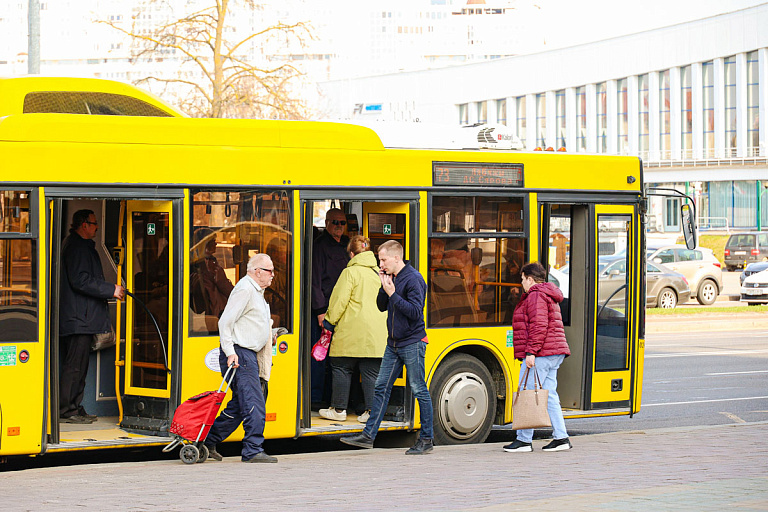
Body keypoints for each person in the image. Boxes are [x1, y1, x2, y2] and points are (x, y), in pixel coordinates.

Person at [341, 240, 434, 455]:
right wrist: (384, 288)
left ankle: (426, 439)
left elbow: (415, 313)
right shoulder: (392, 277)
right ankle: (368, 436)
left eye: (383, 260)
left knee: (419, 389)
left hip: (412, 342)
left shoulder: (414, 279)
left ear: (396, 258)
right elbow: (381, 306)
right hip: (393, 344)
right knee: (381, 387)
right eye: (379, 260)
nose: (380, 264)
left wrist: (393, 294)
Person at [204, 254, 278, 463]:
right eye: (270, 270)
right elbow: (225, 322)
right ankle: (253, 450)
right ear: (257, 271)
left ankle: (208, 441)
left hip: (246, 353)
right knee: (254, 401)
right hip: (240, 354)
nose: (273, 275)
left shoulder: (256, 291)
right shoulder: (245, 289)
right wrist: (230, 352)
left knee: (239, 405)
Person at [59, 209, 125, 424]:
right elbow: (80, 280)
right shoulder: (77, 247)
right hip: (79, 319)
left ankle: (74, 407)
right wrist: (111, 289)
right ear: (84, 225)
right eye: (94, 223)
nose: (97, 227)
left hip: (80, 318)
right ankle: (67, 410)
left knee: (78, 366)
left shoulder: (78, 245)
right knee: (75, 367)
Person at [503, 261, 572, 453]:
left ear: (530, 279)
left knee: (528, 392)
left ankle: (524, 440)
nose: (521, 283)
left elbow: (539, 325)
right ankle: (561, 437)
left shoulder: (536, 295)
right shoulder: (547, 293)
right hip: (553, 351)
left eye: (523, 279)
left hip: (542, 353)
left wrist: (531, 352)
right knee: (550, 396)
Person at [318, 235, 387, 423]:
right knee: (371, 372)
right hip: (377, 334)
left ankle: (339, 409)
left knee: (341, 367)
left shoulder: (350, 273)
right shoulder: (380, 273)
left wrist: (329, 322)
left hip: (350, 332)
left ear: (351, 253)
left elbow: (339, 302)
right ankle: (371, 412)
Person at [310, 208, 350, 409]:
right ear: (327, 223)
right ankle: (315, 398)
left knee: (340, 355)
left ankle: (334, 397)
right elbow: (314, 281)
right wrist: (320, 311)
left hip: (345, 311)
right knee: (320, 353)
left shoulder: (347, 245)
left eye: (342, 223)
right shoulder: (319, 247)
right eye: (335, 222)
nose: (339, 226)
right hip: (325, 310)